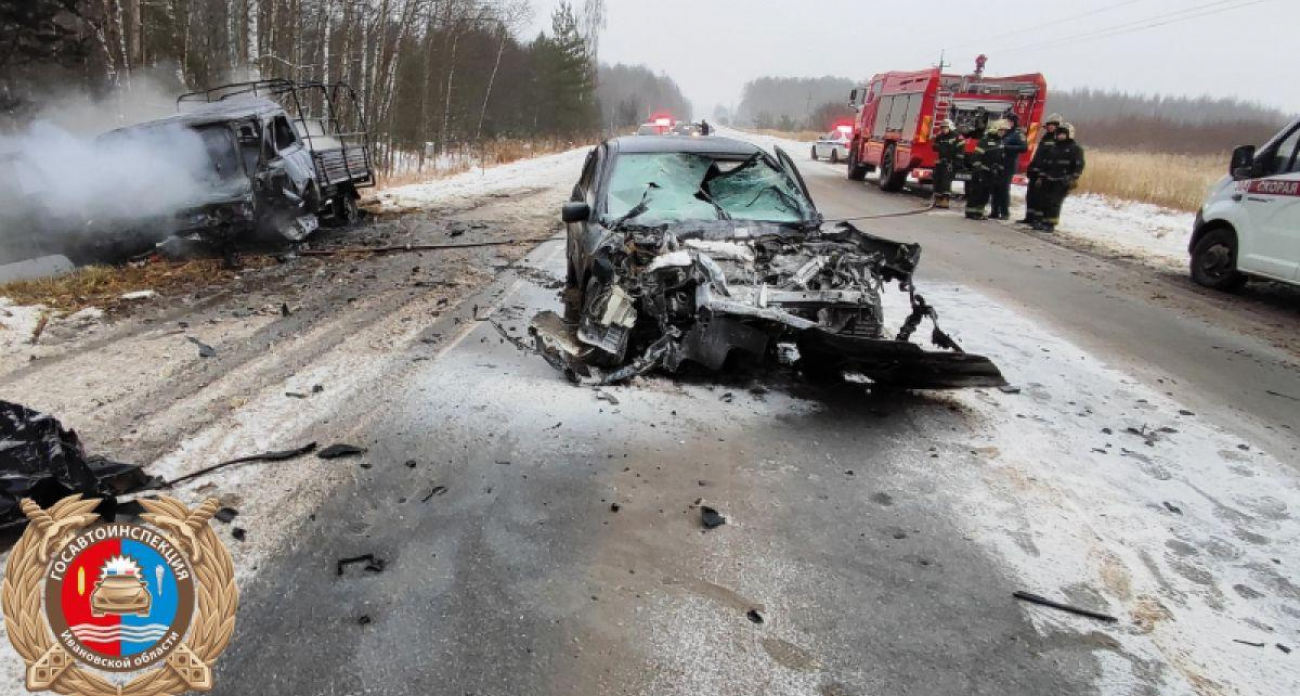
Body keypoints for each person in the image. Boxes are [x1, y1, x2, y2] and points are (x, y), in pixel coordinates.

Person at [1032, 122, 1085, 233]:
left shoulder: (1075, 149)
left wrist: (1072, 178)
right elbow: (1045, 163)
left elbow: (1079, 166)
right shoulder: (1053, 147)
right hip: (1048, 178)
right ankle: (1041, 221)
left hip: (1062, 180)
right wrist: (1040, 177)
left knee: (1054, 202)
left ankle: (1050, 224)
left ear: (1069, 134)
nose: (1060, 136)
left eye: (1063, 134)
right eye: (1059, 133)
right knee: (1044, 200)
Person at [1018, 113, 1062, 225]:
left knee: (1040, 197)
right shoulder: (1045, 137)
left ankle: (1038, 219)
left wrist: (1044, 172)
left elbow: (1051, 158)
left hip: (1045, 173)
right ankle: (1029, 217)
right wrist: (1031, 167)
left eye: (1054, 125)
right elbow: (1038, 155)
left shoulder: (1057, 140)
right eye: (1049, 124)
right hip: (1035, 171)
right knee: (1031, 196)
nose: (1051, 127)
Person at [965, 121, 1005, 220]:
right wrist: (978, 170)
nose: (1003, 132)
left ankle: (979, 212)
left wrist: (999, 169)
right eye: (1001, 130)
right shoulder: (985, 140)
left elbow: (1000, 157)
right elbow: (977, 155)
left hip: (991, 172)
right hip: (981, 171)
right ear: (995, 129)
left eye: (1004, 131)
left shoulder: (1000, 142)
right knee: (977, 192)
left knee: (986, 193)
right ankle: (970, 213)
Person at [992, 113, 1027, 220]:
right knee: (995, 188)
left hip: (1009, 164)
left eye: (1010, 121)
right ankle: (995, 211)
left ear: (1014, 122)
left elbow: (1024, 147)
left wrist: (1007, 147)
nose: (1008, 123)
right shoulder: (1004, 132)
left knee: (1003, 188)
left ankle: (1005, 213)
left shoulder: (1017, 134)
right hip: (998, 163)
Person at [931, 119, 963, 209]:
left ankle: (945, 201)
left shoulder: (957, 137)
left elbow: (960, 150)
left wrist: (956, 162)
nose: (944, 129)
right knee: (937, 180)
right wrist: (936, 145)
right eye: (942, 128)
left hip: (950, 163)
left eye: (946, 127)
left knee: (946, 182)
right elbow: (934, 147)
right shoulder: (940, 136)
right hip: (941, 161)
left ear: (950, 127)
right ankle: (937, 200)